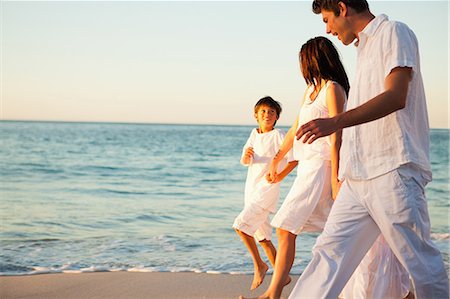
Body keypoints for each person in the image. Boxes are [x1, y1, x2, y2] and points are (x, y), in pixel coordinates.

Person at [289, 1, 449, 298]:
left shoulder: (394, 32)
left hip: (393, 170)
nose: (327, 29)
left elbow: (395, 95)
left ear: (342, 8)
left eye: (327, 19)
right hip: (358, 176)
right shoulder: (363, 48)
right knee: (327, 255)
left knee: (421, 265)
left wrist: (335, 123)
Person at [240, 36, 349, 299]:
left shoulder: (332, 89)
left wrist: (335, 176)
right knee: (332, 231)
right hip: (307, 170)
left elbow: (338, 133)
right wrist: (277, 157)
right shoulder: (311, 92)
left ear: (313, 59)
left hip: (322, 168)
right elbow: (294, 130)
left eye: (303, 60)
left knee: (285, 227)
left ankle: (273, 293)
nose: (301, 67)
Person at [233, 96, 298, 291]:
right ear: (256, 116)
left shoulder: (278, 135)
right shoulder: (253, 134)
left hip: (266, 189)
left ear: (277, 117)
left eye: (271, 112)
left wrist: (279, 177)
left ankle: (260, 265)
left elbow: (294, 159)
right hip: (251, 190)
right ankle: (283, 277)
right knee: (263, 238)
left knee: (241, 226)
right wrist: (245, 156)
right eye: (263, 112)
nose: (267, 115)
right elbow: (245, 161)